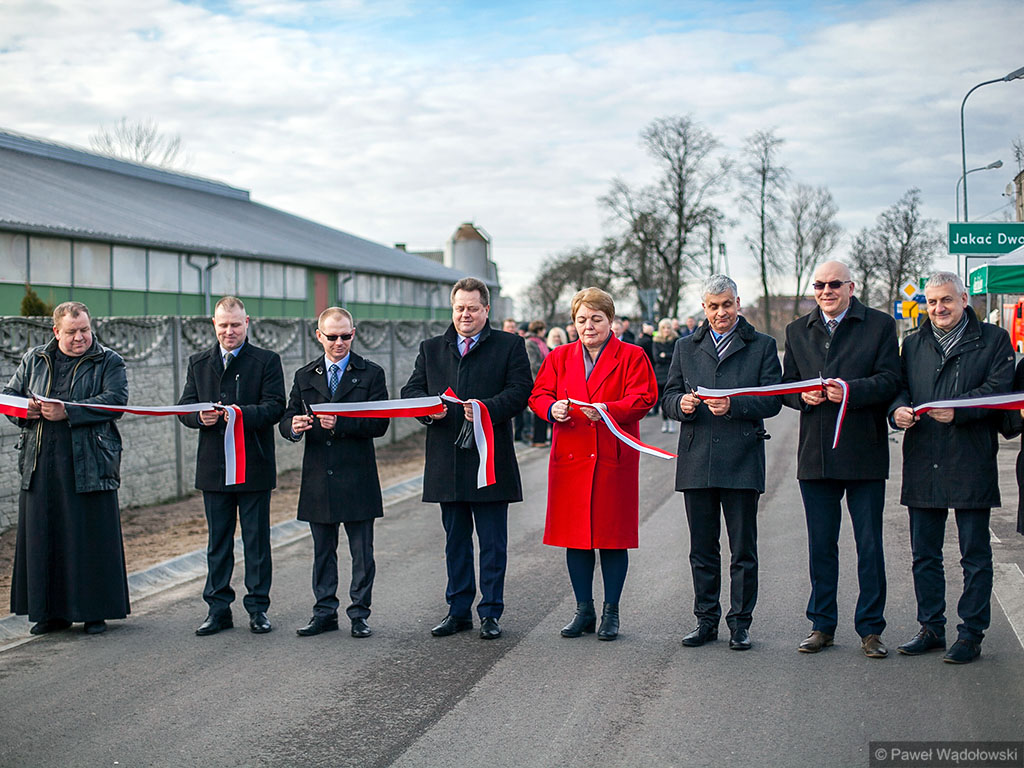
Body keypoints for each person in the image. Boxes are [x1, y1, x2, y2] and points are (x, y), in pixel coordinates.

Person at [889, 272, 1013, 664]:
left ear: (964, 298)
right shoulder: (913, 343)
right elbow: (900, 387)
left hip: (970, 455)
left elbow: (999, 392)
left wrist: (956, 410)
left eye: (946, 300)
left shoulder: (993, 340)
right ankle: (931, 627)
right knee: (924, 553)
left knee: (973, 554)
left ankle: (971, 633)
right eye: (931, 302)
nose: (938, 308)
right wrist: (898, 411)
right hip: (924, 454)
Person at [401, 277, 532, 639]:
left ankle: (490, 612)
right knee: (455, 541)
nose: (465, 314)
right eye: (459, 308)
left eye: (473, 308)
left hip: (491, 459)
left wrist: (487, 409)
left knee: (492, 543)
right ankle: (458, 610)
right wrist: (430, 410)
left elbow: (521, 392)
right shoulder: (432, 348)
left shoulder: (509, 345)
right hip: (447, 460)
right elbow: (412, 390)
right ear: (452, 308)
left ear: (486, 310)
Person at [781, 260, 900, 659]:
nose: (826, 291)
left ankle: (870, 629)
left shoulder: (880, 325)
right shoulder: (798, 330)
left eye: (834, 284)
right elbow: (785, 386)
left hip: (863, 450)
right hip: (816, 456)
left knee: (869, 545)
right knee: (821, 546)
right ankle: (822, 625)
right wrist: (802, 397)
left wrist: (850, 390)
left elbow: (890, 380)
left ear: (851, 286)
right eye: (819, 285)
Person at [529, 287, 658, 641]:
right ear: (573, 323)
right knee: (577, 538)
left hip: (611, 455)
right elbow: (539, 394)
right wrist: (550, 409)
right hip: (571, 456)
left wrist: (607, 410)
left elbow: (645, 396)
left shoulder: (632, 355)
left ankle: (610, 612)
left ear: (610, 321)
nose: (589, 326)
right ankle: (583, 609)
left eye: (596, 319)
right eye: (582, 320)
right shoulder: (558, 357)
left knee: (612, 538)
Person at [662, 276, 781, 651]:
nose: (720, 313)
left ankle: (740, 623)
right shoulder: (685, 347)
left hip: (742, 456)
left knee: (743, 548)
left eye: (726, 305)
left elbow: (773, 400)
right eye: (713, 307)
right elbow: (667, 396)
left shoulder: (762, 346)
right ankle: (706, 620)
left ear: (738, 303)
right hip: (697, 458)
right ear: (704, 308)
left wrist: (735, 405)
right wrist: (679, 405)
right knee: (702, 548)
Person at [4, 301, 130, 635]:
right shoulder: (34, 359)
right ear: (56, 331)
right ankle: (50, 614)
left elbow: (116, 401)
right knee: (45, 537)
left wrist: (69, 412)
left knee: (89, 539)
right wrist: (23, 411)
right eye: (72, 332)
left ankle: (94, 613)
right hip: (40, 462)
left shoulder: (109, 360)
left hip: (91, 462)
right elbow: (9, 396)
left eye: (85, 330)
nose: (80, 338)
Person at [178, 296, 286, 636]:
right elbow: (184, 408)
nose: (229, 331)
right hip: (214, 468)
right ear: (214, 324)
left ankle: (258, 608)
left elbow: (275, 408)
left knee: (256, 541)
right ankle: (218, 608)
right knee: (218, 543)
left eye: (235, 324)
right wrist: (200, 416)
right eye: (223, 325)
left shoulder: (267, 361)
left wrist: (236, 413)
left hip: (254, 465)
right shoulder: (199, 362)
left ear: (247, 323)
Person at [280, 307, 389, 638]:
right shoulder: (305, 375)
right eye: (332, 336)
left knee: (361, 552)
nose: (339, 342)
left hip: (357, 475)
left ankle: (359, 613)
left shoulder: (371, 373)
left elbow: (380, 423)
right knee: (322, 551)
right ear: (319, 336)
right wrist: (293, 427)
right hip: (319, 476)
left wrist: (342, 424)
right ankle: (324, 611)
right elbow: (286, 418)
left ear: (353, 334)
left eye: (345, 336)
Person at [524, 320, 551, 447]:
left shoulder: (541, 342)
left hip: (544, 379)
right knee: (536, 409)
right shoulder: (530, 343)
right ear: (539, 330)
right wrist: (549, 367)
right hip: (535, 379)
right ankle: (537, 439)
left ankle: (541, 438)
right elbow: (533, 364)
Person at [651, 318, 679, 433]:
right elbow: (656, 357)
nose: (666, 330)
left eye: (668, 327)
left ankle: (672, 421)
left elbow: (676, 356)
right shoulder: (656, 341)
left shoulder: (676, 340)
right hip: (660, 374)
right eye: (664, 328)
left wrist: (665, 355)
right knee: (662, 399)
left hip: (672, 373)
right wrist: (667, 356)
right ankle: (665, 422)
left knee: (671, 398)